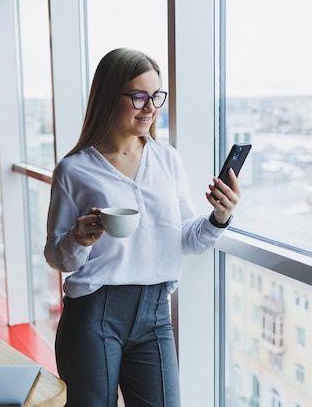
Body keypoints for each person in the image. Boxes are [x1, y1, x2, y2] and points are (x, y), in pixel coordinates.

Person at [44, 48, 241, 407]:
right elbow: (58, 257)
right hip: (93, 314)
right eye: (138, 96)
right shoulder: (73, 170)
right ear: (108, 96)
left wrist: (219, 218)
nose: (150, 107)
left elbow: (186, 238)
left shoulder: (167, 159)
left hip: (154, 315)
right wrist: (79, 238)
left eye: (156, 96)